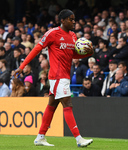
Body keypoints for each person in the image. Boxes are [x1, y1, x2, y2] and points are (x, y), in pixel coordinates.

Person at [13, 9, 93, 147]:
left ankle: (40, 137)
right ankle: (79, 139)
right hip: (57, 76)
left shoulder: (73, 36)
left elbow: (72, 55)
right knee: (67, 104)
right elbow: (37, 49)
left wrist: (87, 53)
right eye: (70, 19)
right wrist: (22, 66)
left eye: (74, 19)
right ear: (62, 20)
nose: (73, 22)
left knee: (52, 105)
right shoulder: (52, 33)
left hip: (65, 76)